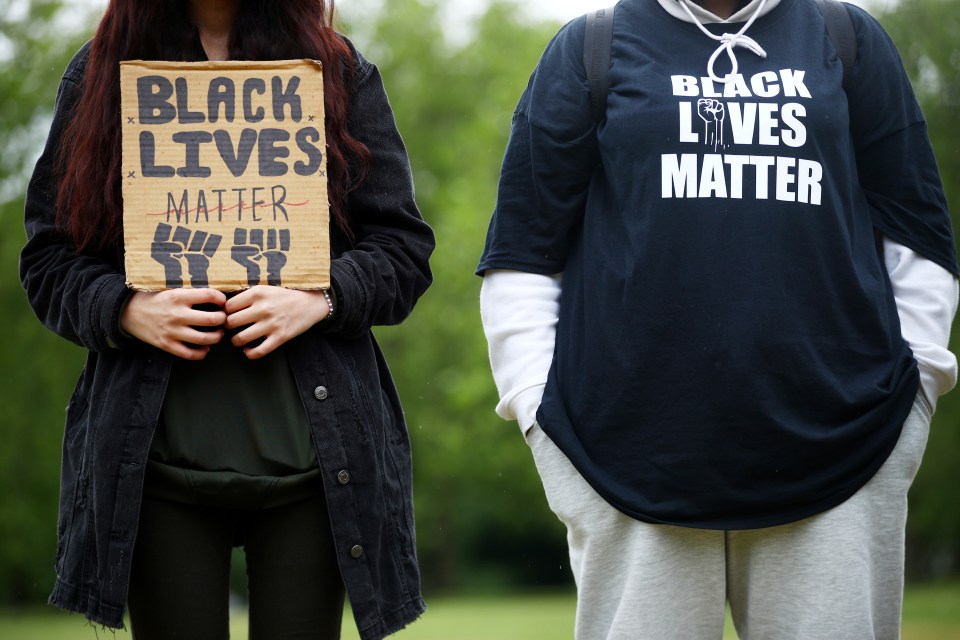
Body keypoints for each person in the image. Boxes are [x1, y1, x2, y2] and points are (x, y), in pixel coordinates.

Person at [478, 0, 958, 638]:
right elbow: (523, 251)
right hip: (628, 461)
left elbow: (918, 229)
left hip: (845, 451)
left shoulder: (846, 38)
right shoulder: (591, 47)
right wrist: (540, 416)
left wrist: (917, 390)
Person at [20, 1, 434, 638]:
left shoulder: (336, 70)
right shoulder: (101, 74)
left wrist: (320, 298)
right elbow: (48, 259)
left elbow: (404, 252)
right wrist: (126, 310)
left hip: (315, 467)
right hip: (155, 470)